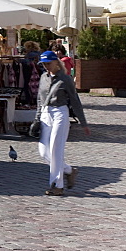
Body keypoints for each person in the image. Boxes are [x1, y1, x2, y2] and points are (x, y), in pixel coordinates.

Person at [36, 50, 89, 195]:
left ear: (56, 63)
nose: (46, 66)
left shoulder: (65, 79)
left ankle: (57, 185)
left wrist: (83, 122)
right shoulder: (43, 78)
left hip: (60, 112)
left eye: (48, 63)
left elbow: (74, 100)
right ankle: (69, 170)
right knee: (43, 151)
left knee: (55, 149)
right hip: (46, 113)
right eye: (43, 64)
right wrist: (36, 119)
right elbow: (40, 100)